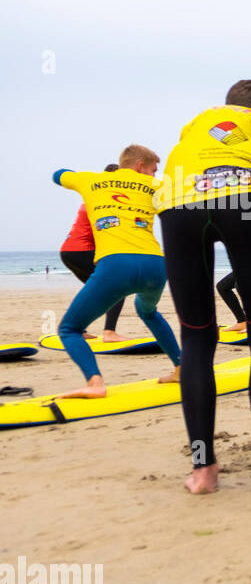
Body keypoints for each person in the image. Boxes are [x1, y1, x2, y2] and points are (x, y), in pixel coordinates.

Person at [154, 78, 251, 494]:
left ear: (229, 105)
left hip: (176, 202)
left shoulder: (197, 123)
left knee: (196, 339)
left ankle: (203, 472)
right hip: (243, 196)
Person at [51, 146, 182, 398]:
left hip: (116, 265)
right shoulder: (159, 186)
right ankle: (181, 368)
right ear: (139, 165)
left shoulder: (91, 180)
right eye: (153, 170)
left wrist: (72, 176)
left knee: (69, 329)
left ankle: (95, 383)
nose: (155, 175)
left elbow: (58, 174)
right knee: (148, 311)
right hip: (155, 265)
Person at [59, 163, 129, 342]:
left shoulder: (95, 196)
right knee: (117, 288)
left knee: (94, 291)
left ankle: (77, 328)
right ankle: (109, 332)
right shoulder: (106, 200)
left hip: (68, 250)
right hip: (81, 250)